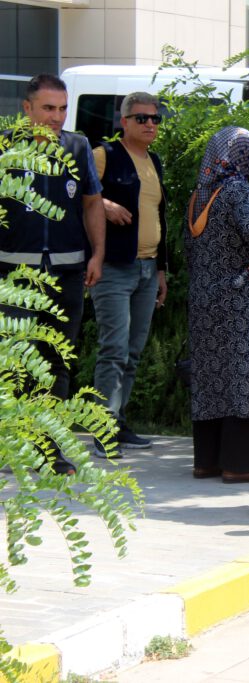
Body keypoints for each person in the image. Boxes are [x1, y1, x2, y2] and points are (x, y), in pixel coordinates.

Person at [0, 74, 106, 476]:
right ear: (26, 108)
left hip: (67, 272)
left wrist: (98, 254)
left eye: (62, 108)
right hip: (14, 272)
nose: (56, 117)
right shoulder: (6, 146)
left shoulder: (76, 146)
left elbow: (93, 204)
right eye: (48, 108)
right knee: (13, 364)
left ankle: (47, 450)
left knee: (56, 362)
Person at [184, 127, 249, 484]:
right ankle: (239, 465)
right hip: (242, 300)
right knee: (245, 377)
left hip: (206, 301)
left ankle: (207, 461)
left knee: (212, 378)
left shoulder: (199, 194)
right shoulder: (238, 190)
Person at [90, 92, 168, 455]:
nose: (150, 123)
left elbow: (159, 220)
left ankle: (117, 423)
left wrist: (162, 272)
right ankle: (102, 430)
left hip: (148, 269)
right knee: (114, 351)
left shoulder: (154, 161)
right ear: (124, 121)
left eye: (155, 118)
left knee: (133, 352)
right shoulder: (104, 155)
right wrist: (103, 204)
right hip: (114, 268)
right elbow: (75, 196)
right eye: (141, 118)